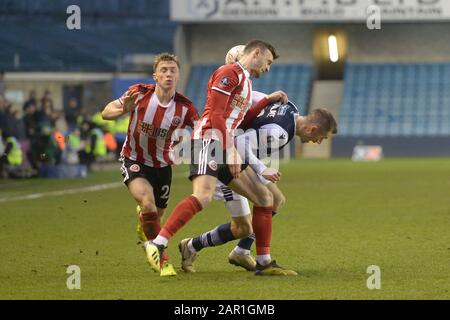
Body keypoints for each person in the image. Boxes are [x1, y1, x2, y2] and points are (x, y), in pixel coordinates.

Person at [145, 39, 290, 276]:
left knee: (265, 198)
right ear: (256, 53)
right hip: (208, 142)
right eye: (268, 62)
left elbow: (238, 119)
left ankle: (264, 263)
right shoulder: (228, 73)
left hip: (223, 143)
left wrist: (266, 100)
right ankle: (158, 243)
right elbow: (216, 114)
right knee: (202, 196)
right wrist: (231, 149)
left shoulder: (245, 82)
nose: (268, 68)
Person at [179, 101, 338, 275]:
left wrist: (268, 98)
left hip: (242, 161)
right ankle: (192, 245)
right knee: (243, 228)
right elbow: (240, 142)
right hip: (227, 163)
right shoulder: (280, 132)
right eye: (322, 137)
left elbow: (251, 97)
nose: (319, 141)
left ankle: (241, 252)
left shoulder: (291, 108)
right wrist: (262, 169)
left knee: (276, 199)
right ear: (313, 129)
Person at [101, 53, 199, 277]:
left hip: (163, 165)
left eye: (173, 70)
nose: (168, 74)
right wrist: (123, 109)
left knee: (158, 212)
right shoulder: (139, 94)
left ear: (178, 75)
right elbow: (105, 113)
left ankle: (145, 225)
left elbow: (202, 128)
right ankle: (162, 259)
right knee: (148, 204)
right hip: (134, 159)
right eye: (163, 70)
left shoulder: (185, 107)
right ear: (155, 75)